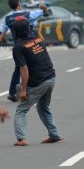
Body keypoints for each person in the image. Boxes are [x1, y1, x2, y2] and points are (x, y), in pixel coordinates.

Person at [12, 16, 63, 146]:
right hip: (51, 77)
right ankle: (54, 135)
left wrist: (23, 90)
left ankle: (21, 139)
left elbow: (24, 70)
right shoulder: (38, 39)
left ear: (14, 32)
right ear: (29, 29)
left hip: (38, 82)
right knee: (43, 106)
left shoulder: (18, 47)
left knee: (21, 109)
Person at [0, 0, 49, 102]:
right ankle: (31, 91)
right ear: (19, 4)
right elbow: (43, 11)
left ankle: (12, 93)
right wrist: (43, 7)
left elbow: (2, 32)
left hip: (18, 47)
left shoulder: (7, 18)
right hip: (29, 45)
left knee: (19, 68)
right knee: (33, 67)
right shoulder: (28, 15)